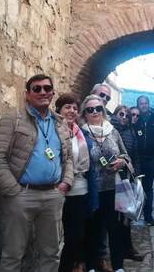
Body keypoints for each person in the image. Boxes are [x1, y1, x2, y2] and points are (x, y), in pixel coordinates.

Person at [0, 74, 75, 272]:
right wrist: (13, 190)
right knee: (13, 254)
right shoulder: (13, 119)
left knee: (51, 253)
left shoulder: (59, 123)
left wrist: (64, 184)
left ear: (52, 93)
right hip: (22, 195)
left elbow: (68, 158)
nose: (42, 92)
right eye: (37, 89)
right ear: (27, 94)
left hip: (53, 195)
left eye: (47, 88)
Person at [80, 94, 131, 272]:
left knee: (114, 229)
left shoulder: (113, 131)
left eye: (98, 108)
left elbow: (125, 155)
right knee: (92, 230)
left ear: (103, 111)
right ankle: (92, 266)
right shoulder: (81, 133)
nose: (95, 112)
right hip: (92, 190)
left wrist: (121, 162)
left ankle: (118, 266)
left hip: (113, 188)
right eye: (90, 109)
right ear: (84, 113)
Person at [56, 93, 99, 272]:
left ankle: (70, 266)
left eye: (74, 108)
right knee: (61, 238)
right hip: (61, 190)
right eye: (67, 107)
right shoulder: (53, 130)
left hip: (81, 189)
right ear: (58, 109)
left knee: (77, 236)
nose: (72, 111)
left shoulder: (79, 131)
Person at [110, 105, 145, 263]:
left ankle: (128, 248)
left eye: (127, 115)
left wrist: (135, 175)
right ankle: (117, 251)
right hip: (113, 179)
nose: (124, 117)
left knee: (127, 216)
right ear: (116, 114)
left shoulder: (130, 130)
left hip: (127, 178)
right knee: (116, 217)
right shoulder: (110, 130)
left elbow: (135, 154)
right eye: (121, 114)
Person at [133, 95, 154, 226]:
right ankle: (132, 214)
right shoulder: (134, 119)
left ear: (148, 104)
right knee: (134, 187)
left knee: (148, 188)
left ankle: (148, 216)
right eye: (141, 103)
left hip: (149, 159)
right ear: (138, 105)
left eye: (145, 103)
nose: (144, 105)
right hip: (135, 160)